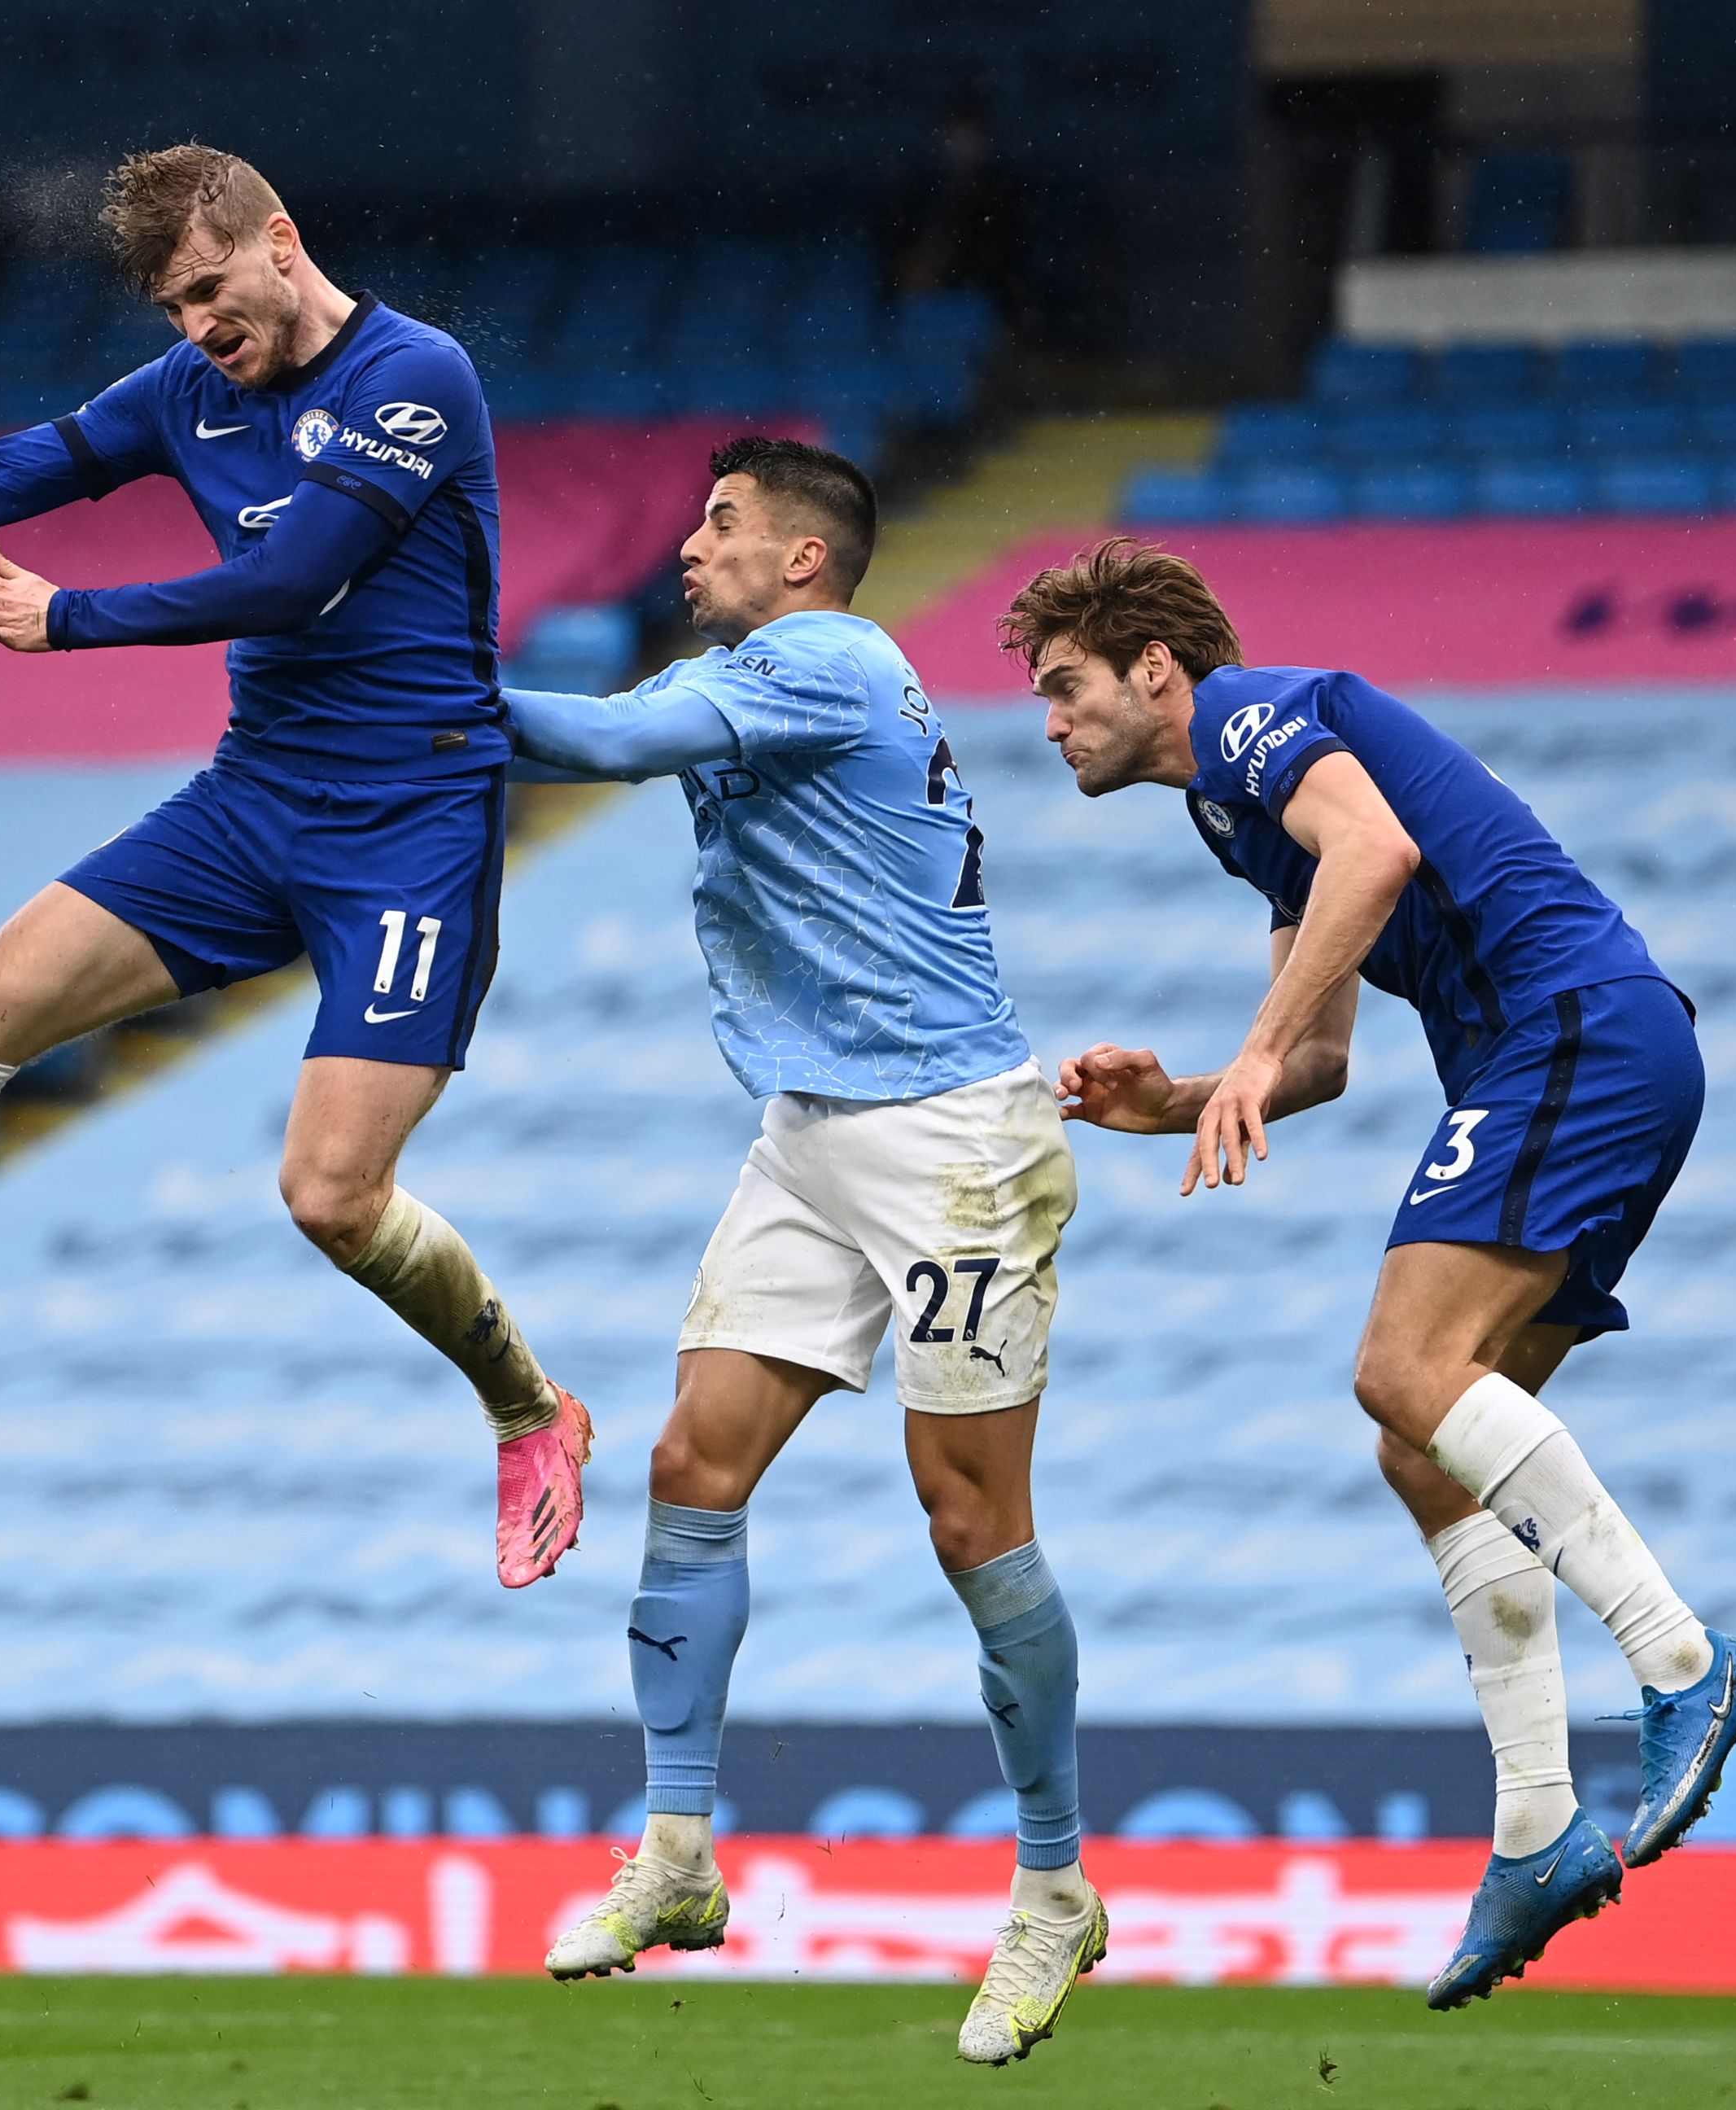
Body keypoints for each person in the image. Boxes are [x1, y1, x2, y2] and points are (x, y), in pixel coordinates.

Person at [0, 144, 593, 1588]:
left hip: (409, 825)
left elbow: (292, 580)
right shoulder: (188, 391)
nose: (201, 331)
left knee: (332, 1197)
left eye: (213, 293)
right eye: (172, 311)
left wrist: (69, 619)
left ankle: (532, 1407)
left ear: (282, 240)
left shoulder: (415, 377)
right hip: (253, 799)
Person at [1007, 537, 1736, 2009]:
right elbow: (1323, 1061)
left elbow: (1379, 854)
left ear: (1155, 670)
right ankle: (1541, 1828)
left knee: (1402, 1371)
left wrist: (1238, 1059)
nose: (1051, 723)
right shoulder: (1239, 818)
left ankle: (1687, 1664)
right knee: (1425, 1449)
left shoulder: (1251, 716)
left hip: (1573, 1031)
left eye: (1066, 687)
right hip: (1592, 1049)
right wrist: (1169, 1097)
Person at [498, 439, 1098, 2068]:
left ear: (804, 562)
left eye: (723, 526)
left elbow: (602, 740)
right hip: (815, 1129)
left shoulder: (822, 661)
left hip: (953, 1143)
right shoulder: (784, 667)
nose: (690, 549)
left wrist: (398, 670)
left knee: (971, 1517)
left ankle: (1054, 1891)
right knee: (693, 1465)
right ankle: (680, 1862)